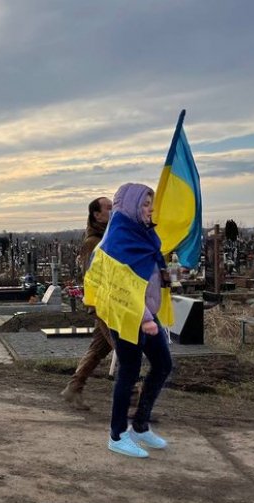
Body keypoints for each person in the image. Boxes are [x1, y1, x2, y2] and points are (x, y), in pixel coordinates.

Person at [83, 183, 174, 459]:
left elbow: (149, 271)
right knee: (130, 370)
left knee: (163, 363)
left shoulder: (142, 233)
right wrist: (146, 318)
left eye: (151, 203)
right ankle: (117, 434)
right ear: (132, 206)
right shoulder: (119, 238)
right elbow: (120, 284)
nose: (149, 209)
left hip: (144, 311)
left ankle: (140, 425)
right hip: (126, 314)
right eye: (145, 204)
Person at [61, 197, 113, 410]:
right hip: (104, 304)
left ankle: (73, 388)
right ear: (96, 215)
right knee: (126, 350)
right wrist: (97, 304)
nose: (113, 211)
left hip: (110, 302)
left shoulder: (110, 237)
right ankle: (133, 401)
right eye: (109, 208)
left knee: (99, 348)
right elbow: (91, 276)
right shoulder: (93, 242)